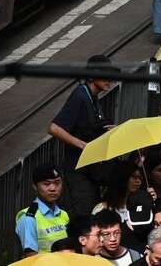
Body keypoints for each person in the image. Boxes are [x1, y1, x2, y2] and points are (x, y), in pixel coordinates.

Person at [46, 54, 116, 216]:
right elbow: (54, 128)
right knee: (85, 218)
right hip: (78, 171)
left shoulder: (93, 96)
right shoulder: (80, 95)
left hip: (90, 169)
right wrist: (83, 145)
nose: (109, 79)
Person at [15, 163, 70, 256]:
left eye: (57, 183)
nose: (53, 188)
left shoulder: (63, 214)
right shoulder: (28, 218)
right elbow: (31, 258)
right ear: (35, 186)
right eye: (46, 184)